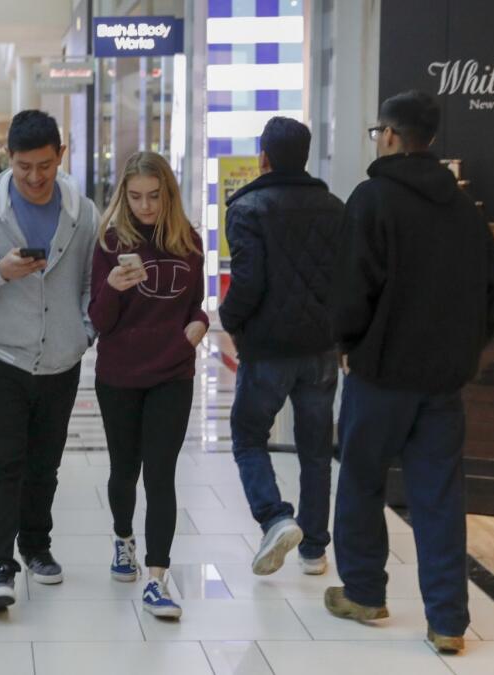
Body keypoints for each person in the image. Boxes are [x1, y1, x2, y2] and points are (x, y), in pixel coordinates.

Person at [326, 90, 494, 654]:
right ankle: (449, 620)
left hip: (381, 375)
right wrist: (464, 352)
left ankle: (364, 592)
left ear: (393, 136)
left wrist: (347, 343)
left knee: (360, 479)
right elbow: (490, 295)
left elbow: (353, 287)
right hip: (444, 381)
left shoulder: (373, 199)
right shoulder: (466, 212)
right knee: (440, 497)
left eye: (378, 130)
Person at [0, 110, 99, 610]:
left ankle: (36, 545)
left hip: (60, 357)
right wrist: (0, 270)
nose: (34, 177)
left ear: (60, 156)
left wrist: (85, 330)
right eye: (23, 167)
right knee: (3, 463)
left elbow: (89, 282)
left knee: (45, 464)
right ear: (7, 161)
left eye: (44, 165)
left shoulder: (83, 211)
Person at [218, 117, 345, 578]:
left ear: (264, 157)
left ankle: (274, 517)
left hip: (269, 349)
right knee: (316, 449)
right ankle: (314, 550)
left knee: (249, 436)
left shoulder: (249, 207)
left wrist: (229, 319)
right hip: (320, 351)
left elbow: (248, 282)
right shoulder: (335, 206)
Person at [89, 152, 207, 620]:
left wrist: (197, 324)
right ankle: (123, 538)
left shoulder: (188, 241)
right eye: (136, 196)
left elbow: (197, 303)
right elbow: (99, 321)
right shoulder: (109, 241)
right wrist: (114, 286)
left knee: (161, 474)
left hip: (172, 371)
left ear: (169, 194)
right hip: (119, 373)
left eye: (154, 196)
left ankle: (157, 578)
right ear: (124, 194)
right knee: (125, 468)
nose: (145, 206)